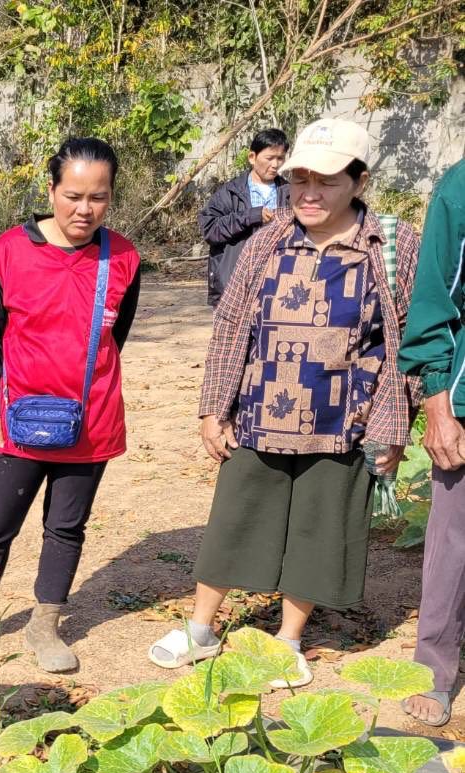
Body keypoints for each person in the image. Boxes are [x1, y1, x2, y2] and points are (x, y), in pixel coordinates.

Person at [149, 119, 419, 688]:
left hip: (346, 417)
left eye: (325, 181)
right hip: (261, 410)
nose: (309, 193)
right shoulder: (268, 240)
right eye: (299, 180)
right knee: (235, 517)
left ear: (359, 181)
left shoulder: (391, 246)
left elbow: (408, 344)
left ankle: (287, 639)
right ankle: (201, 629)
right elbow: (231, 328)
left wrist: (393, 426)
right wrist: (212, 408)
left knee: (320, 529)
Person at [0, 137, 142, 673]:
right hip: (18, 419)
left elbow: (116, 336)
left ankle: (45, 626)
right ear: (51, 190)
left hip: (90, 422)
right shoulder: (8, 252)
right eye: (72, 196)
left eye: (98, 197)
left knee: (66, 527)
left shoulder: (126, 259)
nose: (83, 210)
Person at [399, 157, 465, 726]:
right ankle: (435, 670)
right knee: (453, 542)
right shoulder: (461, 186)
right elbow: (434, 299)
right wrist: (438, 402)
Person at [200, 129, 291, 308]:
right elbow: (210, 230)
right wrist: (250, 216)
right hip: (235, 282)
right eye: (269, 158)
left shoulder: (290, 192)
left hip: (278, 284)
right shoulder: (229, 193)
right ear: (252, 157)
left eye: (280, 158)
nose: (275, 164)